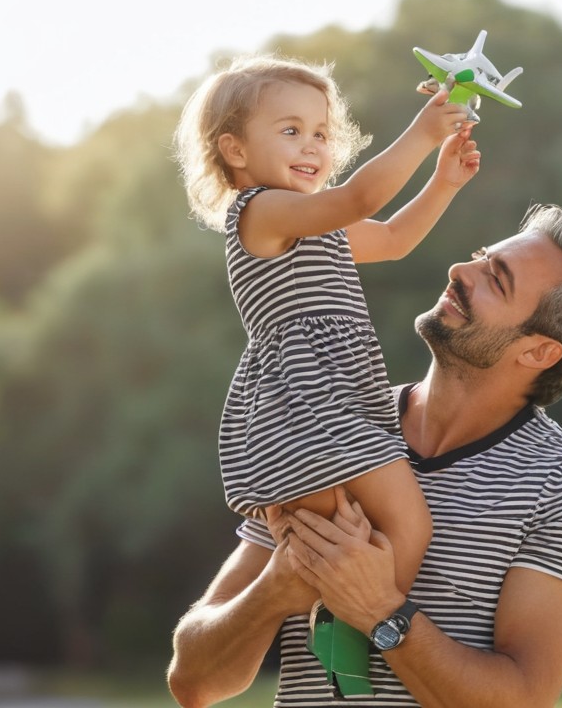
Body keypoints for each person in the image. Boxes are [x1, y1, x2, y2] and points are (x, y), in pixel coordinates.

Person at [167, 203, 562, 707]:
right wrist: (277, 588)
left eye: (496, 280)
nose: (460, 271)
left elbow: (522, 699)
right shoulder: (328, 421)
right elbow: (192, 681)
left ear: (538, 353)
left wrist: (378, 609)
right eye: (481, 257)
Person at [172, 54, 479, 695]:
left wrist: (443, 183)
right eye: (289, 130)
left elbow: (393, 237)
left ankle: (337, 633)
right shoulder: (261, 212)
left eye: (319, 132)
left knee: (362, 538)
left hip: (337, 407)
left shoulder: (320, 230)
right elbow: (362, 196)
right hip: (305, 410)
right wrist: (424, 132)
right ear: (234, 150)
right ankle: (347, 631)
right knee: (404, 528)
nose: (311, 145)